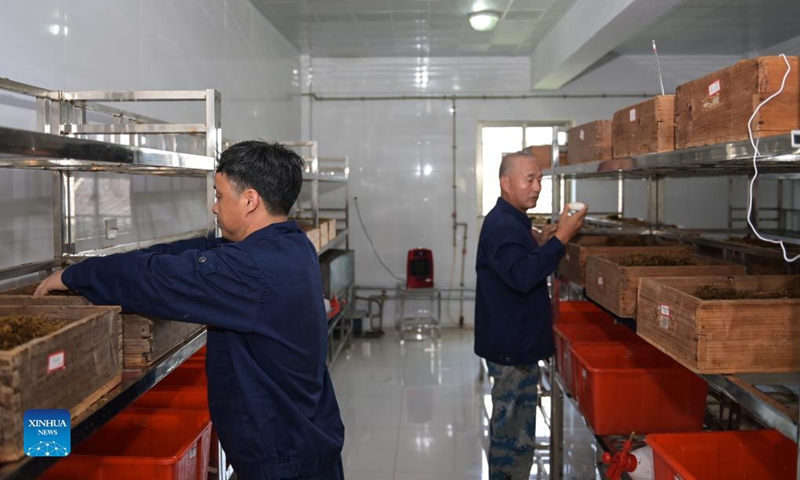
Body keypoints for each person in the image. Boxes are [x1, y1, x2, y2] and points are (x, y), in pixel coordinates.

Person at [35, 141, 345, 480]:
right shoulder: (290, 243)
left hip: (285, 462)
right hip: (304, 441)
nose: (214, 207)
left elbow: (158, 279)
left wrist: (72, 276)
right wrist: (113, 263)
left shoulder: (251, 268)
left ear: (250, 200)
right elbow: (190, 252)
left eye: (219, 195)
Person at [475, 151, 586, 480]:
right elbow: (523, 277)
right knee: (511, 438)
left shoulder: (513, 222)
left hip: (515, 341)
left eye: (540, 179)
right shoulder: (503, 227)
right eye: (530, 179)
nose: (537, 187)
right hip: (511, 348)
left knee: (516, 430)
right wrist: (562, 237)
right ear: (505, 183)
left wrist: (539, 242)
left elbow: (516, 265)